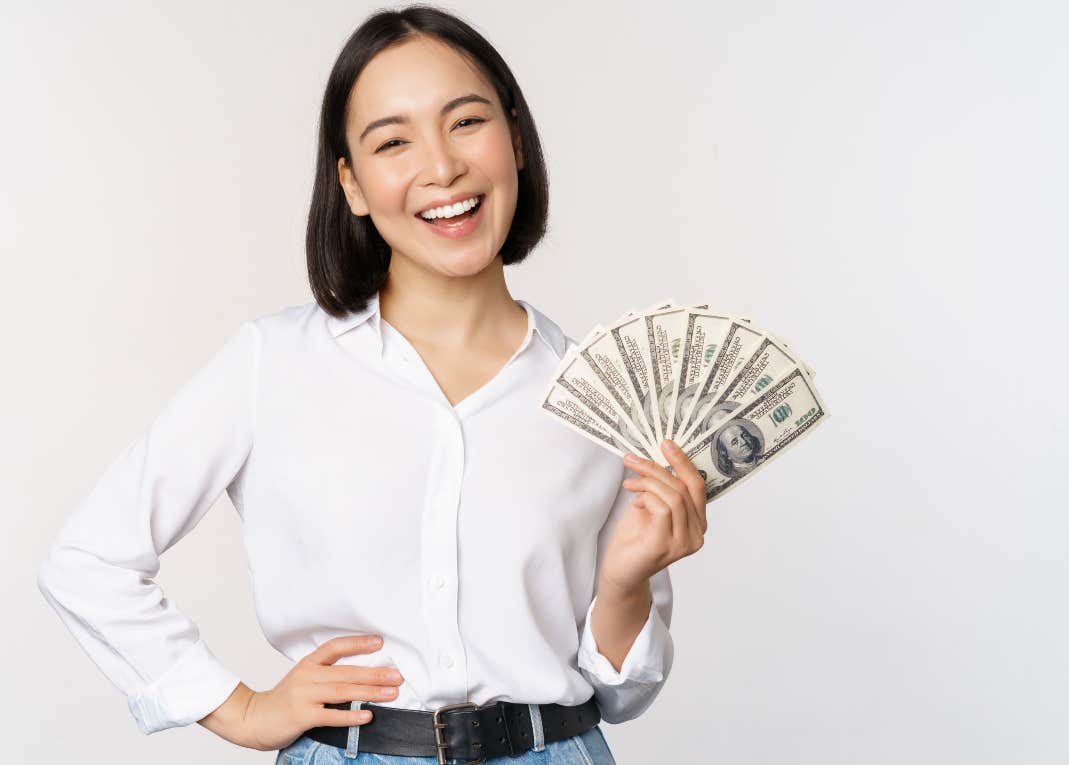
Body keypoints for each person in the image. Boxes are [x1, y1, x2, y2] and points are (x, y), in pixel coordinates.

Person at [36, 6, 709, 764]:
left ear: (515, 141)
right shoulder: (273, 363)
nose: (442, 167)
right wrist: (238, 708)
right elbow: (88, 558)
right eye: (394, 141)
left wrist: (625, 583)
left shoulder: (604, 395)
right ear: (351, 184)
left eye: (465, 122)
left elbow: (621, 694)